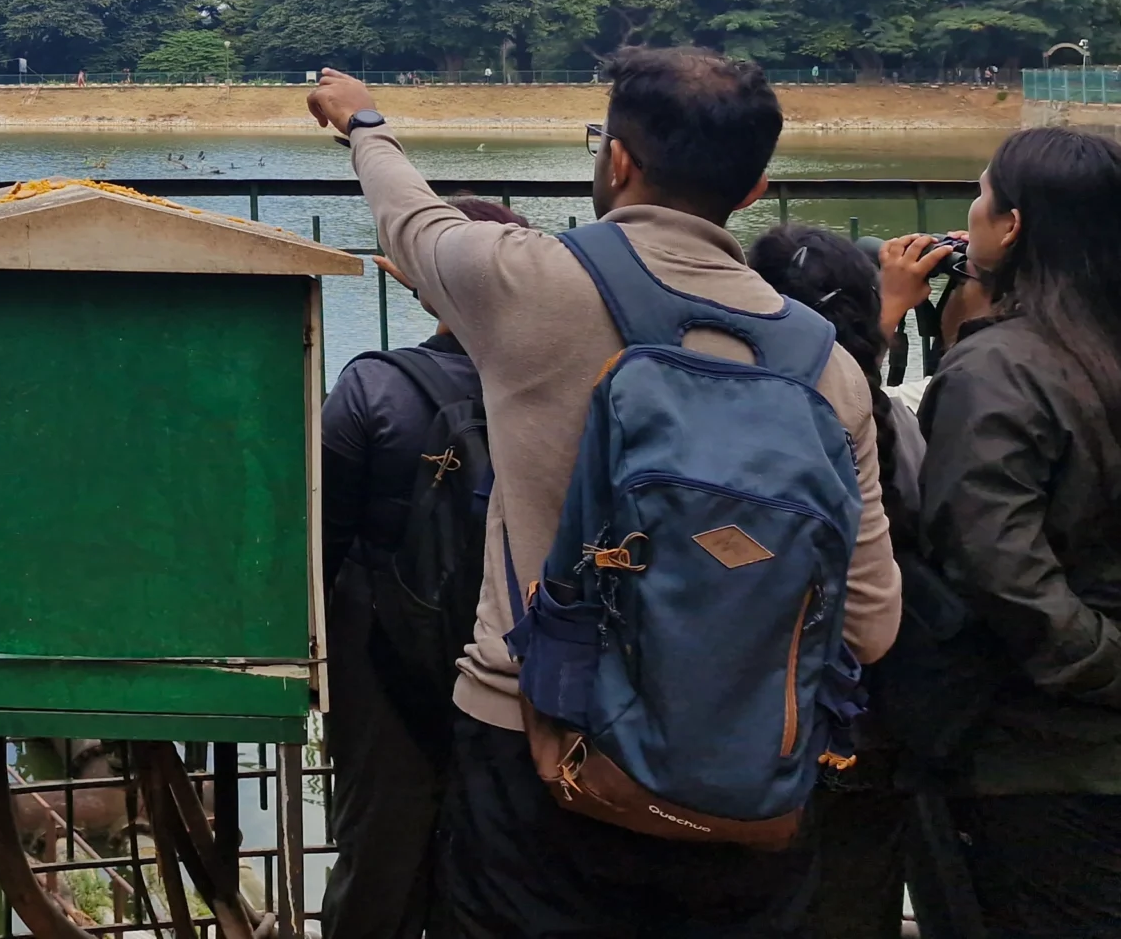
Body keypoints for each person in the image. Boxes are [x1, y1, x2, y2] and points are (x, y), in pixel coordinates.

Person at [307, 51, 900, 939]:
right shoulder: (829, 367)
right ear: (754, 189)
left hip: (534, 748)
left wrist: (363, 123)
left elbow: (411, 220)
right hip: (746, 783)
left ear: (618, 160)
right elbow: (870, 624)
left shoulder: (528, 282)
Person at [915, 126, 1121, 937]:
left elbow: (992, 563)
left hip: (1038, 751)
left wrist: (1101, 663)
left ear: (1013, 226)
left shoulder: (1001, 370)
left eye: (982, 195)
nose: (970, 213)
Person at [320, 197, 527, 939]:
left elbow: (320, 547)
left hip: (384, 672)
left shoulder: (374, 388)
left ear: (419, 286)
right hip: (522, 673)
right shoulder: (567, 394)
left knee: (379, 862)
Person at [747, 225, 929, 939]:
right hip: (857, 720)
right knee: (853, 891)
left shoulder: (718, 408)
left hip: (736, 718)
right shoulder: (882, 421)